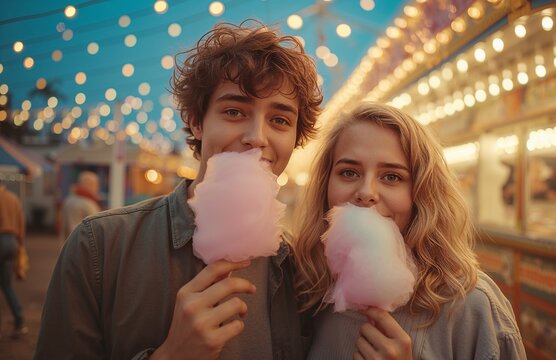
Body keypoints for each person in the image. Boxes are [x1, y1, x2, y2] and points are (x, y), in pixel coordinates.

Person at [35, 20, 322, 359]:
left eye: (280, 120)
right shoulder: (99, 247)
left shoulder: (302, 272)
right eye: (234, 111)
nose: (257, 137)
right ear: (197, 121)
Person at [293, 103, 526, 359]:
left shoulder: (472, 306)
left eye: (392, 177)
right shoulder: (308, 291)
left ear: (421, 194)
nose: (367, 193)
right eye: (349, 172)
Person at [0, 182, 29, 338]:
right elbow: (21, 223)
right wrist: (21, 246)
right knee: (6, 285)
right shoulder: (13, 198)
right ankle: (19, 320)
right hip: (12, 241)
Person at [60, 170, 101, 240]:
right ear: (90, 185)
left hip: (69, 241)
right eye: (96, 185)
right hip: (83, 242)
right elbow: (96, 227)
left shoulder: (69, 199)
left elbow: (64, 226)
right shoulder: (89, 204)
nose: (97, 188)